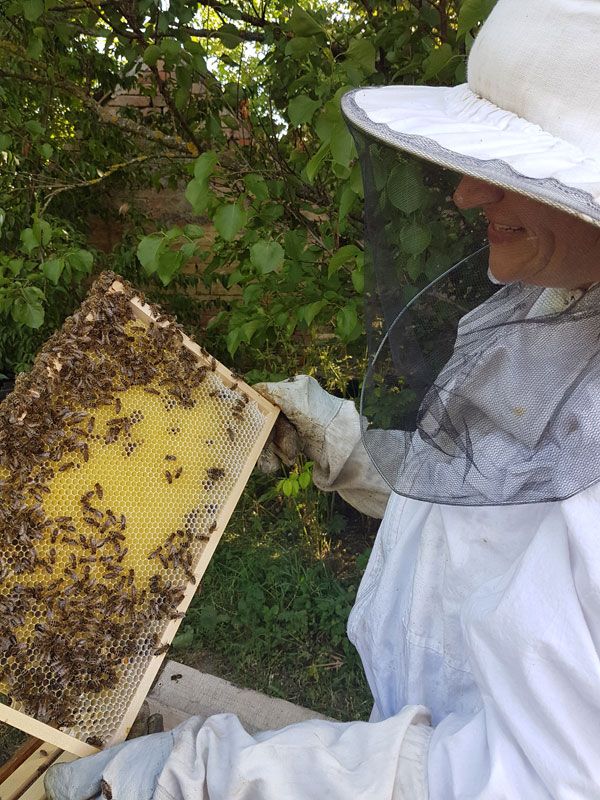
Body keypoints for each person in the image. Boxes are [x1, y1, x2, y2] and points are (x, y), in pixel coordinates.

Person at [45, 0, 600, 797]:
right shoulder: (558, 299)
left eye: (516, 171)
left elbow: (529, 781)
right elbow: (494, 497)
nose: (466, 197)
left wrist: (208, 781)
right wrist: (347, 445)